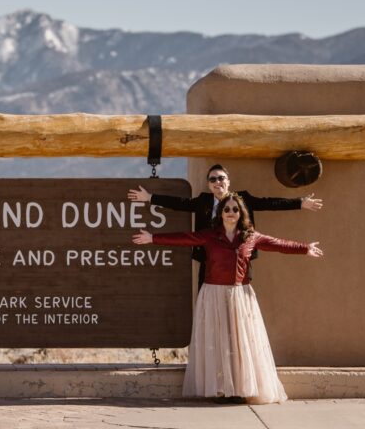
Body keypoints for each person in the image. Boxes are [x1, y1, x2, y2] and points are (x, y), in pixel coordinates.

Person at [133, 193, 322, 404]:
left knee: (240, 343)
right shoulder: (210, 235)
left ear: (241, 213)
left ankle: (241, 388)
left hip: (240, 296)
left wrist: (305, 248)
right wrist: (153, 238)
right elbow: (184, 238)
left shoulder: (250, 237)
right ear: (220, 213)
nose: (231, 213)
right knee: (218, 341)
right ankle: (222, 389)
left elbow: (277, 244)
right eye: (227, 209)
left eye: (235, 209)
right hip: (213, 294)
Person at [128, 163, 322, 283]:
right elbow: (179, 204)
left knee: (238, 304)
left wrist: (300, 203)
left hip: (239, 258)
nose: (217, 182)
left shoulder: (242, 199)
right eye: (213, 179)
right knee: (208, 302)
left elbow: (269, 203)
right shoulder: (203, 200)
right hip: (209, 259)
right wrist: (150, 198)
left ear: (228, 181)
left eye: (221, 178)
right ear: (209, 184)